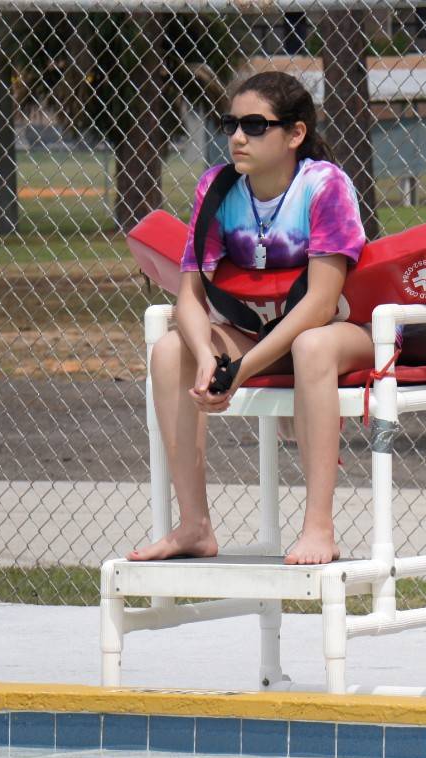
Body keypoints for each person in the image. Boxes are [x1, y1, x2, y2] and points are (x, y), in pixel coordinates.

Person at [128, 71, 366, 566]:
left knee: (311, 346)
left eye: (255, 126)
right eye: (231, 123)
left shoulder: (324, 186)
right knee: (171, 348)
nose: (238, 137)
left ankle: (319, 527)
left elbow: (322, 305)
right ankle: (194, 526)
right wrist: (204, 358)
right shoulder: (216, 188)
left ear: (295, 134)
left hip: (341, 332)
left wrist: (241, 369)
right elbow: (188, 298)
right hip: (256, 334)